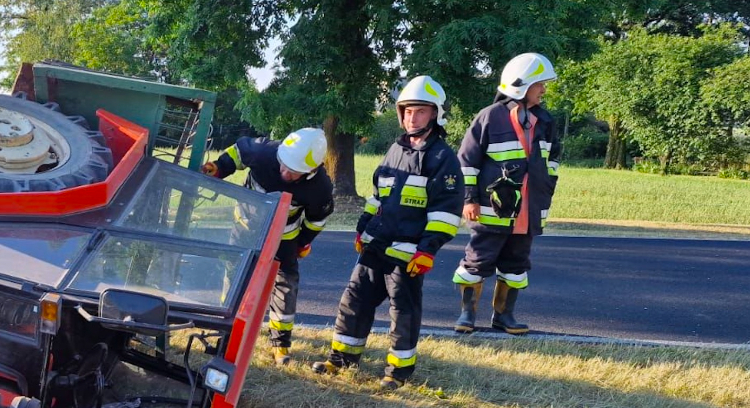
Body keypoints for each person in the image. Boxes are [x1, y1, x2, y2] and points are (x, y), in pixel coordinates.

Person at [311, 76, 463, 390]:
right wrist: (362, 228)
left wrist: (427, 250)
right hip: (376, 244)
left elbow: (446, 214)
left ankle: (398, 373)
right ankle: (342, 359)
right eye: (407, 111)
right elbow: (377, 195)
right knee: (354, 300)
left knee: (402, 311)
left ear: (434, 113)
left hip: (408, 253)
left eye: (420, 111)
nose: (412, 118)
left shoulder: (442, 159)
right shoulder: (396, 149)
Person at [202, 128, 335, 366]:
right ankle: (226, 331)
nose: (285, 172)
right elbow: (238, 152)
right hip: (245, 229)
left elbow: (316, 220)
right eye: (283, 165)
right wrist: (219, 167)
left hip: (284, 238)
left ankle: (280, 344)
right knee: (234, 278)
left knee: (285, 284)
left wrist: (303, 243)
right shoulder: (265, 152)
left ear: (312, 170)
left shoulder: (320, 188)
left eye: (293, 172)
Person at [452, 52, 563, 334]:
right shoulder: (489, 117)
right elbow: (466, 162)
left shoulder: (546, 121)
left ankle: (504, 316)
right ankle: (467, 315)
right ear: (522, 85)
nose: (543, 90)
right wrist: (469, 199)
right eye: (540, 84)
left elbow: (552, 162)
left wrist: (544, 193)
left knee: (516, 265)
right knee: (477, 260)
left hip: (527, 210)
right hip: (491, 210)